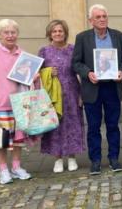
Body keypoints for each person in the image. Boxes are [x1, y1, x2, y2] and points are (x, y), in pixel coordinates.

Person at [72, 4, 122, 174]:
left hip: (113, 87)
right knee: (93, 127)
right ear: (90, 20)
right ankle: (95, 161)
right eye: (98, 17)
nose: (102, 19)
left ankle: (114, 158)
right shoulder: (82, 38)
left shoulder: (119, 36)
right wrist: (88, 73)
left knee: (113, 125)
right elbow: (76, 63)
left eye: (104, 16)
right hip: (92, 88)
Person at [0, 19, 32, 184]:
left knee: (18, 139)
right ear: (0, 34)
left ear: (17, 34)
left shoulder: (21, 53)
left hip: (18, 103)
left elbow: (25, 78)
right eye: (6, 32)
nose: (10, 36)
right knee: (1, 140)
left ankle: (16, 168)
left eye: (13, 32)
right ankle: (3, 170)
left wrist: (33, 77)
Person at [39, 20, 85, 173]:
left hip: (72, 93)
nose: (57, 34)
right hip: (52, 96)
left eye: (60, 31)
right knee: (54, 126)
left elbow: (80, 71)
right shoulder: (44, 51)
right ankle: (57, 158)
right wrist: (47, 73)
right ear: (49, 34)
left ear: (65, 33)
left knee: (72, 125)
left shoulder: (73, 49)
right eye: (54, 31)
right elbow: (36, 74)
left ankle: (72, 157)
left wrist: (82, 94)